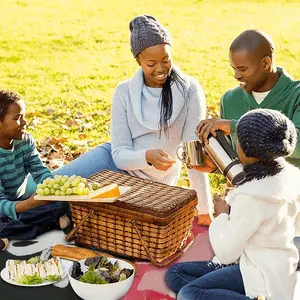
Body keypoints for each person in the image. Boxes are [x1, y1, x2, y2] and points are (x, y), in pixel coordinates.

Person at [53, 15, 213, 225]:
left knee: (69, 206)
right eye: (150, 63)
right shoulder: (124, 92)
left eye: (166, 60)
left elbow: (193, 156)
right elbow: (119, 155)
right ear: (138, 60)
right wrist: (147, 156)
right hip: (112, 163)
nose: (160, 68)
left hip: (149, 185)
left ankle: (63, 218)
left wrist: (204, 210)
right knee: (49, 189)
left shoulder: (190, 90)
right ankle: (14, 213)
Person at [165, 108, 300, 300]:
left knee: (189, 292)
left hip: (259, 273)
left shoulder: (251, 197)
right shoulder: (291, 178)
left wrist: (222, 215)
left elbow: (226, 253)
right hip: (274, 265)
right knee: (175, 274)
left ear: (245, 149)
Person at [195, 29, 300, 169]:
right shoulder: (230, 100)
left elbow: (297, 145)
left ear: (265, 63)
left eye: (242, 69)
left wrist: (234, 127)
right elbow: (237, 161)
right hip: (248, 189)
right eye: (234, 68)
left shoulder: (296, 95)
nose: (236, 75)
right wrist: (214, 166)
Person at [0, 90, 70, 240]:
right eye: (18, 118)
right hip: (5, 208)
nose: (25, 122)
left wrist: (53, 189)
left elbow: (40, 171)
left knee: (63, 203)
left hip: (21, 202)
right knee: (2, 224)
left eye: (24, 116)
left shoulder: (25, 141)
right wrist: (29, 204)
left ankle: (22, 229)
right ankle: (47, 226)